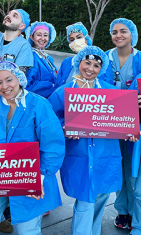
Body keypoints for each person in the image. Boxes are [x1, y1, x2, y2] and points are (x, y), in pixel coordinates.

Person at [0, 61, 65, 235]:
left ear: (19, 79)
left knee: (26, 228)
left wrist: (40, 176)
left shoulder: (39, 105)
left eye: (9, 80)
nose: (5, 86)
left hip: (30, 177)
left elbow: (53, 146)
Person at [48, 46, 122, 235]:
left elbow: (123, 118)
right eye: (87, 62)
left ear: (102, 68)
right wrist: (65, 127)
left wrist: (130, 130)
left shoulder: (111, 92)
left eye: (96, 65)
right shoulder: (63, 92)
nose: (90, 68)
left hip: (105, 153)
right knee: (85, 199)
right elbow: (49, 119)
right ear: (78, 62)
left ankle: (93, 231)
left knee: (101, 196)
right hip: (79, 154)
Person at [102, 18, 141, 230]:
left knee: (133, 170)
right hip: (110, 123)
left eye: (123, 31)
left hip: (135, 125)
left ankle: (137, 212)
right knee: (116, 166)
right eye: (114, 31)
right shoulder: (104, 58)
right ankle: (123, 211)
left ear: (132, 34)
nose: (118, 35)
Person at [54, 22, 92, 88]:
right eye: (72, 40)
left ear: (86, 38)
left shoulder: (97, 62)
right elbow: (58, 86)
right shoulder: (67, 62)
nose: (76, 41)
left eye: (79, 37)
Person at [125, 74, 141, 235]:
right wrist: (135, 104)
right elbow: (127, 107)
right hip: (139, 139)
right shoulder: (139, 80)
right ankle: (138, 225)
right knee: (138, 191)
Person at [25, 21, 58, 98]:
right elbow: (28, 85)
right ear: (32, 37)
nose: (42, 38)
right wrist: (51, 86)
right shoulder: (31, 57)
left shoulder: (48, 58)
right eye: (38, 35)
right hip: (38, 102)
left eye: (46, 35)